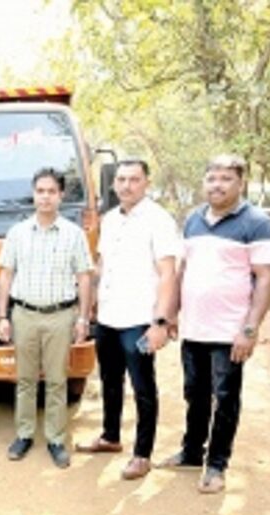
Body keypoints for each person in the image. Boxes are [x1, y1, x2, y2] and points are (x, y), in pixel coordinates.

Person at [158, 154, 270, 494]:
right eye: (212, 178)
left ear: (240, 183)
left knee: (225, 398)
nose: (217, 184)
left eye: (226, 178)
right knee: (194, 394)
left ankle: (216, 465)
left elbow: (267, 279)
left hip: (230, 332)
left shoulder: (257, 223)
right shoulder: (193, 220)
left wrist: (249, 329)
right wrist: (171, 313)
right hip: (195, 327)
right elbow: (184, 272)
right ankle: (191, 453)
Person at [76, 159, 180, 480]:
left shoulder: (158, 220)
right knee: (110, 380)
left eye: (134, 180)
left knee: (142, 386)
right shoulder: (109, 220)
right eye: (121, 179)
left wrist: (161, 322)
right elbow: (102, 266)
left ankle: (143, 454)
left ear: (146, 183)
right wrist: (91, 306)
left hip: (139, 319)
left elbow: (167, 274)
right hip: (109, 316)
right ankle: (110, 436)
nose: (126, 186)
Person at [0, 167, 94, 469]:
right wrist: (3, 316)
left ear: (61, 195)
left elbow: (84, 278)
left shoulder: (73, 234)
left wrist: (83, 318)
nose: (45, 197)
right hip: (23, 314)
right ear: (33, 194)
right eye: (40, 191)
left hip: (60, 316)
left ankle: (55, 439)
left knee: (56, 381)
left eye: (52, 191)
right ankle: (24, 435)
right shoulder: (17, 233)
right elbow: (5, 275)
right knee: (25, 380)